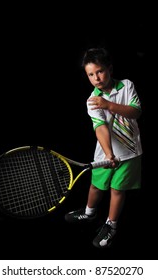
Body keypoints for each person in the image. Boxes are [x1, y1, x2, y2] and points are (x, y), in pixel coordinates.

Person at [65, 47, 143, 249]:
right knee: (96, 186)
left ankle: (111, 225)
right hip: (104, 154)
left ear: (109, 68)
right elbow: (100, 129)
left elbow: (135, 112)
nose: (96, 78)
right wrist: (108, 154)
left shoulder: (127, 86)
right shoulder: (92, 101)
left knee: (117, 190)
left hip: (130, 154)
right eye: (91, 74)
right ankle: (89, 213)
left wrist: (108, 105)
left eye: (99, 71)